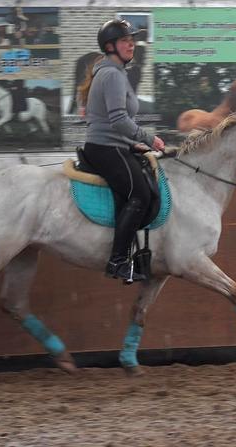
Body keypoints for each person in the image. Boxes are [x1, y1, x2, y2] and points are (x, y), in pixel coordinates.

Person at [78, 19, 165, 283]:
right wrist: (148, 139)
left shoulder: (115, 73)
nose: (132, 44)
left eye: (133, 40)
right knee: (139, 195)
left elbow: (114, 121)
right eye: (126, 40)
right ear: (110, 46)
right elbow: (117, 119)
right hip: (105, 148)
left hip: (114, 145)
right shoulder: (112, 74)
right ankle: (117, 261)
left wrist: (132, 143)